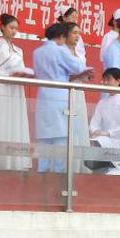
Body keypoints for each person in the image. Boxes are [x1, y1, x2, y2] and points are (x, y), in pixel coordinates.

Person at [33, 23, 92, 173]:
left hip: (43, 96)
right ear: (62, 36)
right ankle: (59, 177)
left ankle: (42, 174)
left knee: (45, 138)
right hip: (59, 95)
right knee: (61, 137)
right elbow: (78, 67)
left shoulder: (37, 52)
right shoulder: (60, 50)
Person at [0, 14, 32, 171]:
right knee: (1, 121)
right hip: (3, 87)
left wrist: (23, 74)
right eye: (11, 27)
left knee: (16, 120)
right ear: (2, 27)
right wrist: (9, 75)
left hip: (16, 89)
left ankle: (17, 161)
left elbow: (22, 68)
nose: (14, 31)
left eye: (16, 28)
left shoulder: (19, 50)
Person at [84, 68, 120, 175]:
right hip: (105, 141)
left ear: (118, 81)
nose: (105, 82)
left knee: (99, 143)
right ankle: (103, 162)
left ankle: (111, 164)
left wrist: (108, 133)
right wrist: (95, 131)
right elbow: (94, 123)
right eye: (104, 80)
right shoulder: (102, 102)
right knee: (94, 142)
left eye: (108, 79)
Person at [64, 22, 91, 172]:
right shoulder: (62, 52)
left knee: (79, 124)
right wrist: (77, 75)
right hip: (67, 92)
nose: (77, 36)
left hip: (79, 91)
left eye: (78, 33)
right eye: (74, 33)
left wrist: (87, 75)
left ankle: (79, 163)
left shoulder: (79, 54)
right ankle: (66, 163)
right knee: (68, 125)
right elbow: (61, 75)